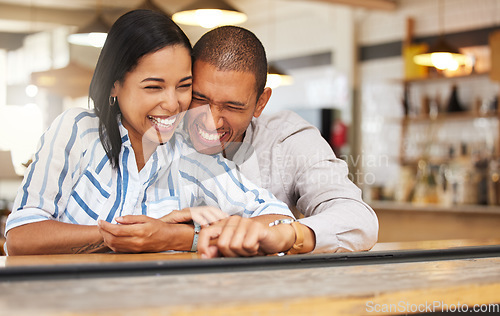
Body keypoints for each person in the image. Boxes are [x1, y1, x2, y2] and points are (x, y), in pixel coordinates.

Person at [4, 10, 297, 256]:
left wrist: (185, 237)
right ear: (114, 85)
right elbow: (20, 238)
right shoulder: (78, 131)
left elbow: (280, 220)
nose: (173, 104)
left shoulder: (193, 153)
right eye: (154, 87)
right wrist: (137, 233)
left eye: (184, 86)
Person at [187, 26, 379, 256]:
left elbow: (359, 219)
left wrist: (290, 234)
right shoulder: (160, 134)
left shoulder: (287, 140)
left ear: (261, 103)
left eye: (233, 106)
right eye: (199, 98)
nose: (211, 121)